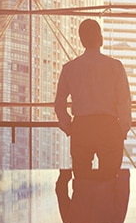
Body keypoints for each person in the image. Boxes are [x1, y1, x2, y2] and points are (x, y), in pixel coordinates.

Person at [54, 19, 131, 181]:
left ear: (82, 40)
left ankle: (84, 205)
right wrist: (122, 129)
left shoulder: (70, 68)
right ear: (100, 37)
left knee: (82, 181)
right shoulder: (115, 66)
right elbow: (124, 102)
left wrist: (69, 126)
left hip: (82, 127)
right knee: (110, 180)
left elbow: (59, 103)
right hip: (108, 127)